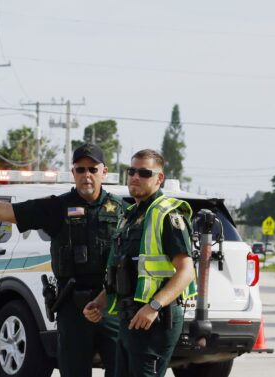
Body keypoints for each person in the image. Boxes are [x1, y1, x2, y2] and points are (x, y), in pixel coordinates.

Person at [0, 144, 126, 377]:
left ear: (104, 171)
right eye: (80, 169)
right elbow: (5, 211)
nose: (87, 175)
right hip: (73, 307)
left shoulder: (122, 210)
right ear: (73, 173)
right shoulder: (56, 207)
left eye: (92, 169)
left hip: (111, 305)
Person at [83, 149, 197, 377]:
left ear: (159, 178)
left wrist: (153, 306)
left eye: (144, 172)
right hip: (129, 318)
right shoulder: (130, 216)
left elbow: (186, 271)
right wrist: (99, 302)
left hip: (155, 321)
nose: (135, 177)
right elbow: (123, 271)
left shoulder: (167, 214)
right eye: (131, 171)